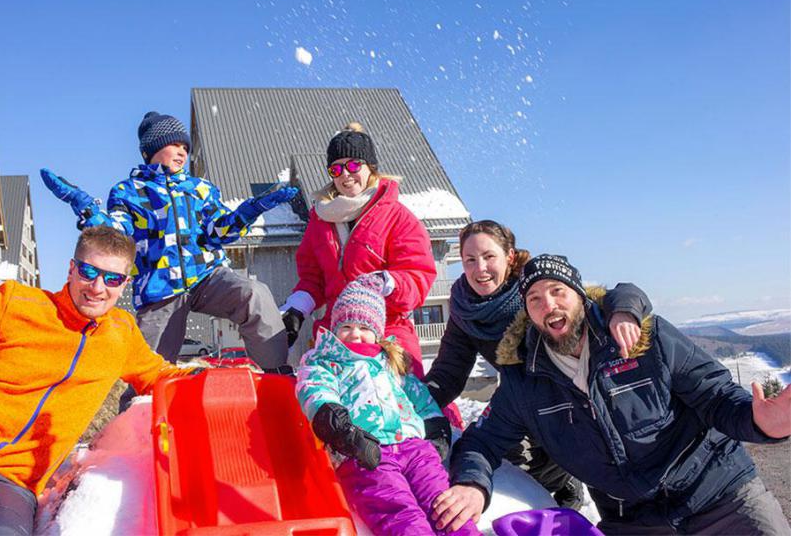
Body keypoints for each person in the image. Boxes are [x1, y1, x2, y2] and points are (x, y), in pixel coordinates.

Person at [433, 254, 791, 535]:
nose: (549, 305)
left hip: (721, 498)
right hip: (634, 522)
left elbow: (716, 396)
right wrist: (472, 484)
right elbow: (483, 441)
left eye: (558, 292)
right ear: (527, 313)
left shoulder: (646, 339)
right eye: (535, 299)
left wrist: (762, 421)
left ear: (580, 296)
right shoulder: (524, 380)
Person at [0, 226, 203, 535]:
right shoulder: (16, 303)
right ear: (71, 268)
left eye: (112, 278)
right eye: (88, 271)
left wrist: (208, 379)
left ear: (125, 284)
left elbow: (159, 375)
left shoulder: (122, 333)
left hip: (5, 486)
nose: (97, 287)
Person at [41, 111, 297, 407]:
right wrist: (86, 209)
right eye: (174, 144)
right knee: (150, 366)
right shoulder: (129, 192)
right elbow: (118, 233)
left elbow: (218, 233)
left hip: (206, 276)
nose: (182, 152)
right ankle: (135, 417)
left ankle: (278, 377)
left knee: (253, 294)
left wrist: (252, 209)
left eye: (186, 147)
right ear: (151, 150)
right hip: (160, 287)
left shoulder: (200, 189)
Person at [423, 220, 651, 508]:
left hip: (569, 388)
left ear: (509, 256)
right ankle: (553, 492)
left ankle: (568, 480)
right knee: (515, 459)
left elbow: (601, 296)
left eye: (489, 256)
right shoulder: (465, 309)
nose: (479, 268)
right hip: (520, 394)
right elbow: (448, 373)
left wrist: (624, 309)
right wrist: (412, 404)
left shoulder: (534, 290)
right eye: (470, 259)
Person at [296, 274, 479, 536]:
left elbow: (421, 399)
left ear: (377, 332)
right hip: (365, 453)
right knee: (401, 515)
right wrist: (341, 430)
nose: (355, 335)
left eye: (364, 327)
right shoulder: (324, 361)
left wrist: (436, 430)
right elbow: (315, 390)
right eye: (346, 327)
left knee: (444, 507)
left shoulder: (392, 363)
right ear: (335, 329)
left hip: (415, 449)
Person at [282, 122, 436, 376]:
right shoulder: (320, 220)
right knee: (323, 402)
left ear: (370, 167)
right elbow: (312, 278)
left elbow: (418, 276)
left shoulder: (397, 216)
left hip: (388, 330)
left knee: (402, 402)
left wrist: (384, 282)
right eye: (336, 168)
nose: (345, 174)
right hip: (337, 330)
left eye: (354, 165)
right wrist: (298, 308)